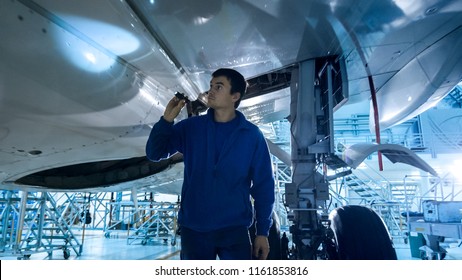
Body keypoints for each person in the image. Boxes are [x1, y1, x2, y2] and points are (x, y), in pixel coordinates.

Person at [146, 68, 275, 260]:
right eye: (211, 86)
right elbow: (155, 153)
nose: (210, 91)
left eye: (219, 87)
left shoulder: (252, 136)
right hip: (194, 231)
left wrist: (262, 232)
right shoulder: (191, 128)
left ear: (235, 96)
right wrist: (166, 120)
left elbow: (264, 186)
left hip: (234, 231)